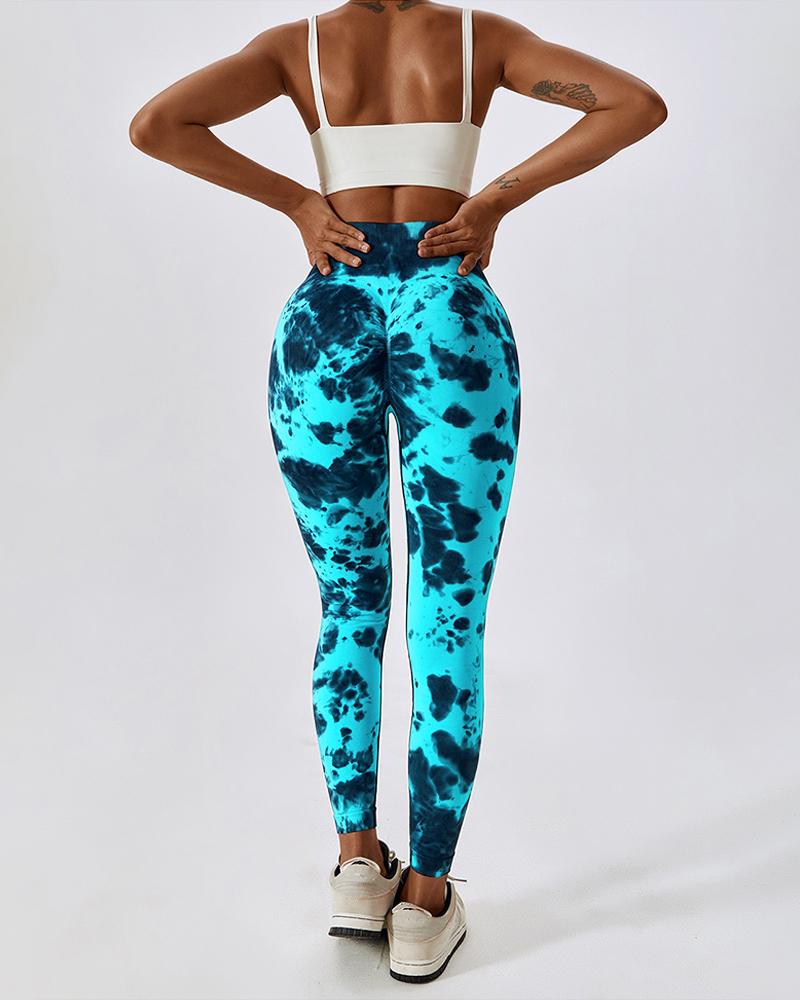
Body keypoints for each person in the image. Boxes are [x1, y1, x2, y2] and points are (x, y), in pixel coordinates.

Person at [129, 0, 666, 983]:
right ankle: (423, 900)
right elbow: (633, 103)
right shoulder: (477, 40)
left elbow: (157, 124)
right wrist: (493, 200)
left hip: (325, 319)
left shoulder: (294, 48)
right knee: (447, 605)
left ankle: (354, 862)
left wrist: (301, 204)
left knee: (348, 601)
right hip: (447, 309)